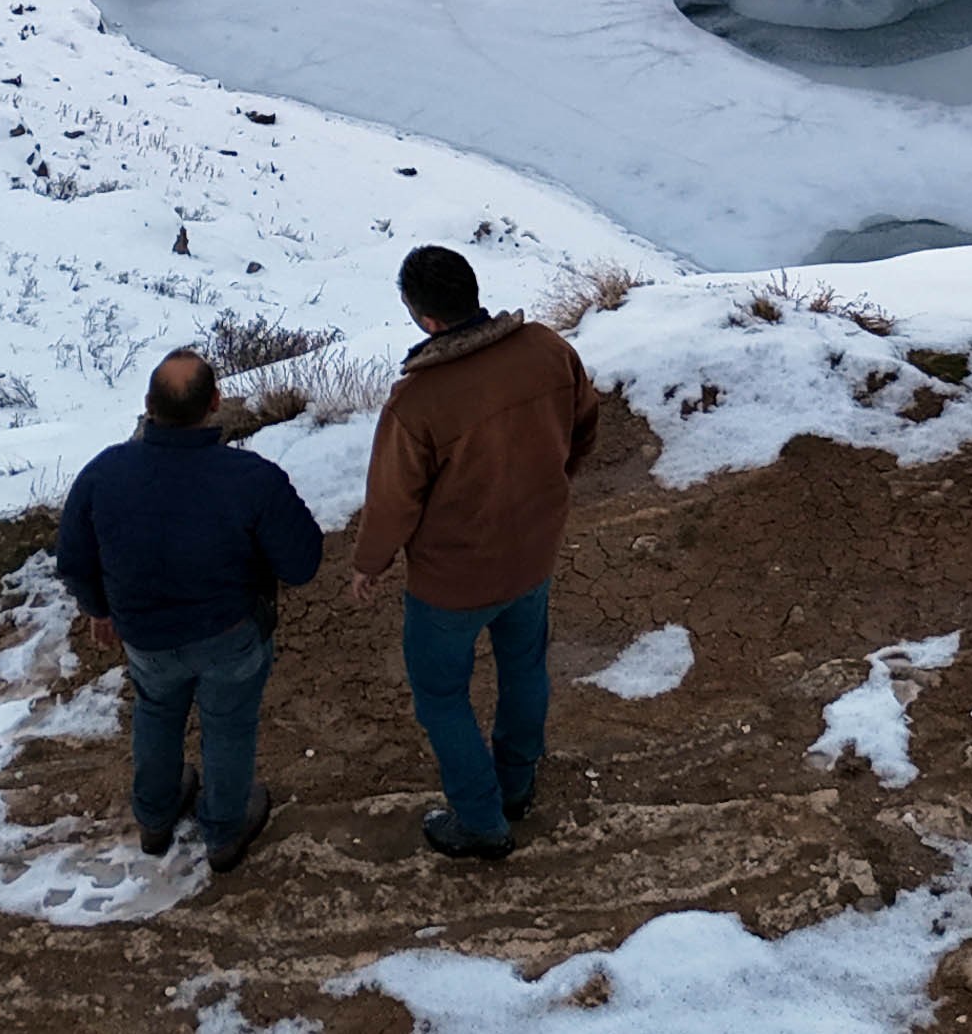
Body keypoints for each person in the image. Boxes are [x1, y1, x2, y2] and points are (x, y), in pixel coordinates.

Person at [350, 244, 603, 859]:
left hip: (451, 581)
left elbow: (393, 501)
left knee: (442, 696)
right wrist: (553, 484)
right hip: (533, 555)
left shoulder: (418, 402)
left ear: (424, 318)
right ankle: (516, 786)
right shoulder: (546, 348)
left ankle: (481, 821)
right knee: (524, 669)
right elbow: (584, 423)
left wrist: (369, 563)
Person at [56, 346, 321, 872]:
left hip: (145, 634)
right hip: (231, 633)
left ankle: (155, 818)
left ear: (147, 406)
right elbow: (302, 562)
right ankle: (223, 831)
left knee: (155, 711)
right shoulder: (251, 478)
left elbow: (74, 557)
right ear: (216, 404)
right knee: (227, 724)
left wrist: (98, 608)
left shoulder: (104, 473)